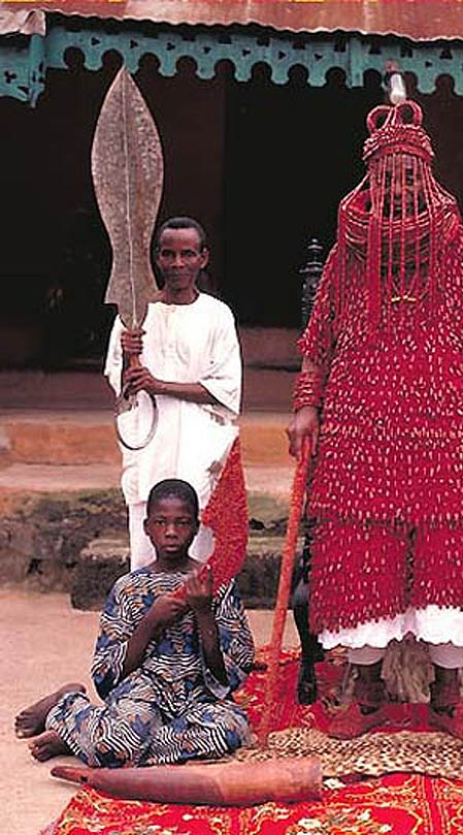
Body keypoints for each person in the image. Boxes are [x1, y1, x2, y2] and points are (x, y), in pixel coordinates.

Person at [287, 98, 463, 741]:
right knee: (359, 554)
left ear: (426, 176)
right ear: (371, 179)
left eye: (405, 174)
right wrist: (307, 409)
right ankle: (364, 694)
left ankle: (450, 695)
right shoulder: (345, 256)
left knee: (456, 555)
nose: (395, 187)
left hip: (453, 430)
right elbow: (318, 342)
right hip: (360, 428)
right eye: (384, 175)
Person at [14, 478, 255, 766]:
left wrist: (204, 613)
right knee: (128, 734)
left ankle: (80, 736)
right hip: (141, 696)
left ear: (195, 527)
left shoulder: (217, 586)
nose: (171, 532)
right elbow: (107, 674)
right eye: (161, 522)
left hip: (197, 698)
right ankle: (67, 704)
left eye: (182, 523)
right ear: (147, 527)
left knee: (231, 730)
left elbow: (232, 674)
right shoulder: (128, 588)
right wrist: (151, 621)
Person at [104, 217, 242, 569]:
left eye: (187, 254)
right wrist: (128, 353)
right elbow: (121, 387)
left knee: (197, 525)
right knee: (147, 523)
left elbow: (224, 388)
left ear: (203, 258)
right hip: (149, 439)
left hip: (199, 440)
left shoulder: (217, 315)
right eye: (169, 254)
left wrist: (160, 385)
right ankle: (144, 613)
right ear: (157, 258)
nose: (178, 264)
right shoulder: (132, 315)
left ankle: (197, 617)